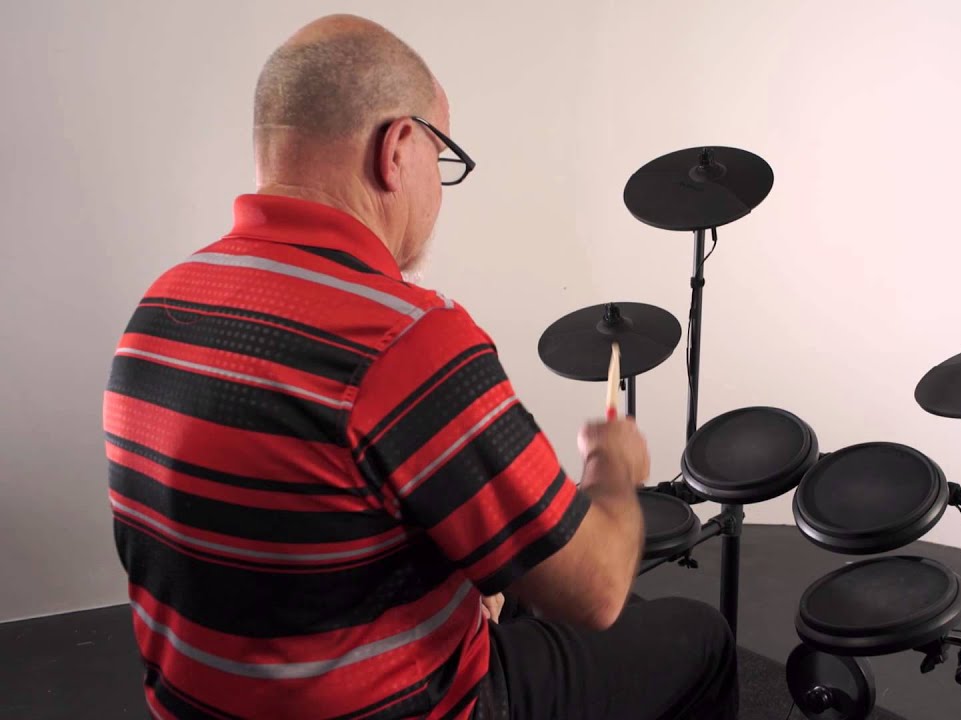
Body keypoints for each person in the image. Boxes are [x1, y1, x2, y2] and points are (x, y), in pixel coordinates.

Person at [103, 13, 737, 720]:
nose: (439, 189)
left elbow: (299, 534)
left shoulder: (160, 309)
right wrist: (612, 469)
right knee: (699, 636)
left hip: (203, 706)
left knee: (513, 594)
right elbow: (597, 590)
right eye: (442, 159)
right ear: (397, 148)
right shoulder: (402, 338)